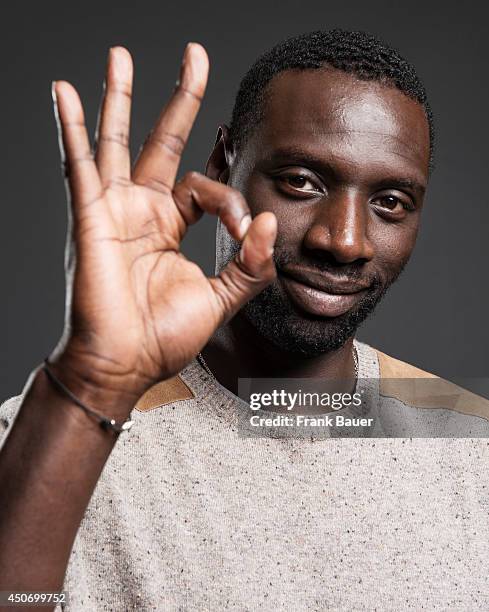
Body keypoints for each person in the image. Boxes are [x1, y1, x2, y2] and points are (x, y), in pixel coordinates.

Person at [0, 29, 488, 611]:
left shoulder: (471, 446)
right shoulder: (49, 437)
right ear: (222, 162)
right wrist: (89, 383)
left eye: (390, 202)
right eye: (301, 182)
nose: (345, 241)